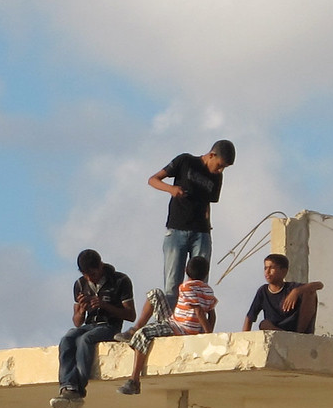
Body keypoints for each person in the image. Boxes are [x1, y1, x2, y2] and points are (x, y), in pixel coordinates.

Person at [114, 253, 218, 395]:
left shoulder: (186, 287)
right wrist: (208, 332)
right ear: (206, 273)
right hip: (175, 322)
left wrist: (206, 335)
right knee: (155, 294)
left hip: (178, 328)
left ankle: (134, 380)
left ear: (186, 271)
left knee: (143, 334)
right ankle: (134, 329)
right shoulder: (208, 290)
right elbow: (211, 313)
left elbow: (199, 311)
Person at [147, 140, 235, 299]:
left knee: (199, 285)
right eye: (219, 165)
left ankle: (194, 321)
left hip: (201, 233)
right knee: (172, 284)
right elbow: (153, 179)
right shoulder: (185, 161)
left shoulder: (217, 177)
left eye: (224, 168)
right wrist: (171, 189)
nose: (220, 170)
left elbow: (208, 202)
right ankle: (170, 321)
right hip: (176, 230)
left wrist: (208, 225)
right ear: (211, 155)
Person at [50, 249, 135, 408]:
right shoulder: (80, 284)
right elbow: (77, 322)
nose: (90, 278)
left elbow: (130, 315)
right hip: (89, 325)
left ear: (101, 266)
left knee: (85, 340)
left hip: (110, 326)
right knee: (67, 338)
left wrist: (104, 305)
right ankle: (66, 386)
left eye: (93, 274)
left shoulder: (120, 280)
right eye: (86, 275)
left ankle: (77, 388)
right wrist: (82, 310)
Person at [245, 252, 322, 334]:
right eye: (265, 268)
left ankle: (300, 335)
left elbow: (319, 285)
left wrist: (296, 292)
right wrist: (243, 338)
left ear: (283, 271)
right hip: (277, 330)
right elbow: (249, 317)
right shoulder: (263, 291)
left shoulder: (292, 288)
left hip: (296, 329)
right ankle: (285, 335)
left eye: (272, 268)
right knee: (264, 324)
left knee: (310, 292)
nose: (267, 272)